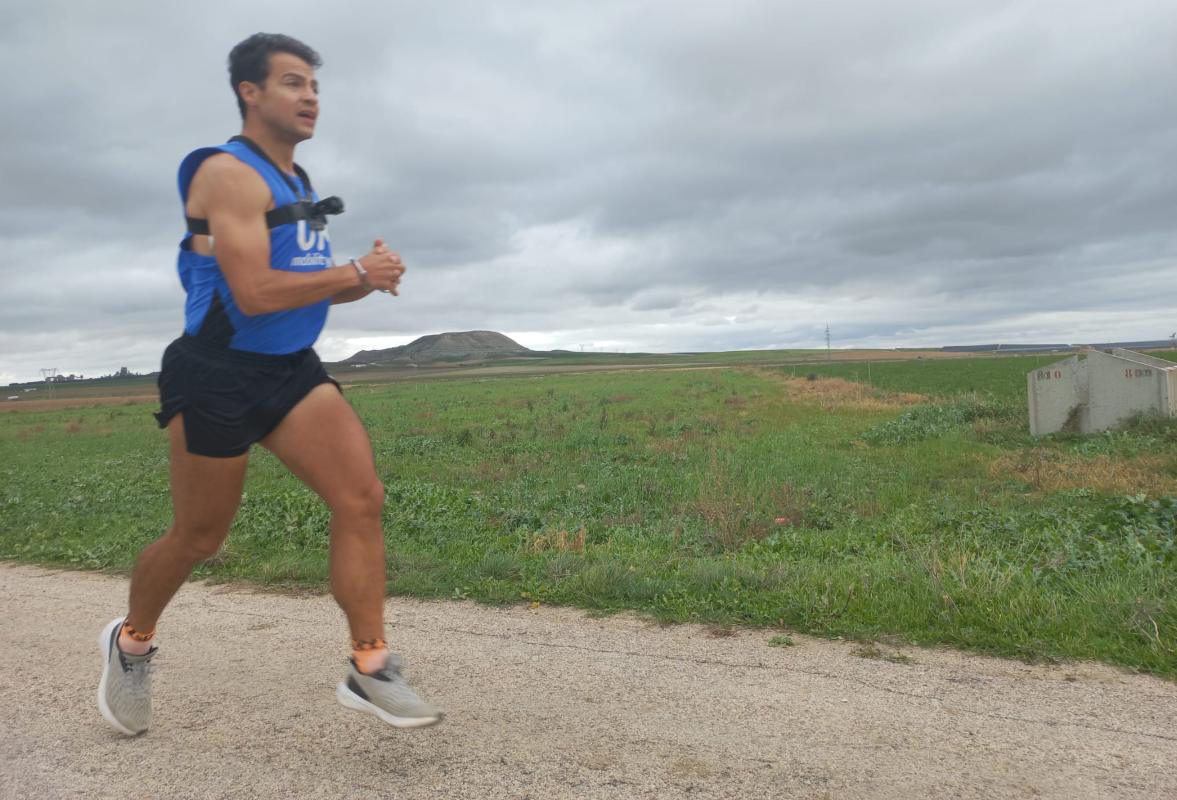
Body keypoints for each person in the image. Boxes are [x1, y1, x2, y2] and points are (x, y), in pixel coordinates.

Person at [96, 32, 442, 735]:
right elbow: (252, 291)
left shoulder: (299, 186)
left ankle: (369, 666)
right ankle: (130, 645)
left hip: (289, 373)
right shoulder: (228, 174)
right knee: (199, 536)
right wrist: (353, 274)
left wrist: (362, 282)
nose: (309, 95)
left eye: (313, 84)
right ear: (249, 93)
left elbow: (303, 293)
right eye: (291, 82)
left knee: (361, 497)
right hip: (215, 375)